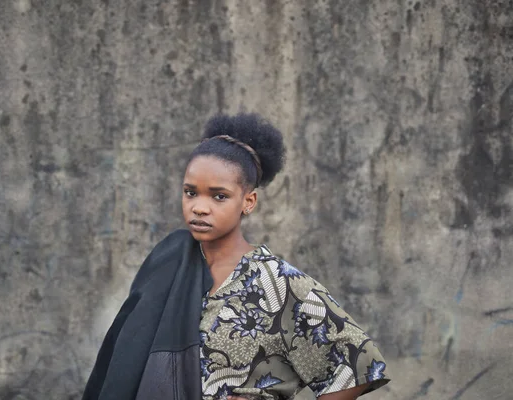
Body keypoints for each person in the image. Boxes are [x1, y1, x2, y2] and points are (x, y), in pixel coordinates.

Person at [82, 113, 390, 400]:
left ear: (248, 201)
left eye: (219, 196)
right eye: (191, 192)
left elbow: (358, 366)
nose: (199, 207)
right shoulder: (168, 265)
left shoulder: (279, 283)